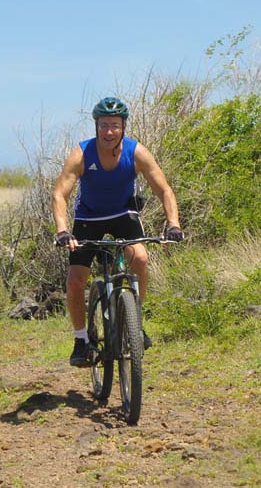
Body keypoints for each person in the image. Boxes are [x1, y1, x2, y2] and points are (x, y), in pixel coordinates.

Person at [51, 97, 183, 367]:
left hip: (124, 214)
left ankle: (134, 322)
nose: (108, 132)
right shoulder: (82, 154)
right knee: (76, 280)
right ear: (96, 126)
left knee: (141, 259)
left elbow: (164, 190)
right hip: (89, 218)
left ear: (123, 127)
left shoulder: (136, 153)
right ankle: (80, 340)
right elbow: (59, 194)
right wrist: (63, 230)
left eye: (114, 125)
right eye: (103, 126)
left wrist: (173, 224)